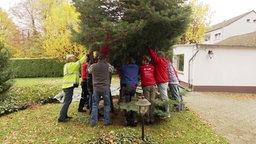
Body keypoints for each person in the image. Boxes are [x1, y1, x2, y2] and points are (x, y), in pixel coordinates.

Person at [58, 54, 87, 122]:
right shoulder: (71, 65)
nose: (75, 58)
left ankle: (64, 115)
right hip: (68, 86)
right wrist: (86, 55)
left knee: (67, 101)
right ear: (70, 59)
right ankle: (61, 117)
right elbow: (80, 62)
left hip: (67, 86)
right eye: (73, 57)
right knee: (67, 102)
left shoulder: (67, 65)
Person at [87, 54, 114, 126]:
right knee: (107, 104)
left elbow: (88, 71)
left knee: (95, 104)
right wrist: (107, 63)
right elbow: (113, 70)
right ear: (104, 59)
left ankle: (93, 121)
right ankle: (107, 121)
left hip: (96, 88)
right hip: (105, 88)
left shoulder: (93, 66)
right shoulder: (108, 66)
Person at [148, 47, 170, 116]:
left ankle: (167, 113)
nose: (157, 56)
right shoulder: (165, 61)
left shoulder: (159, 61)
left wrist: (149, 48)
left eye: (158, 55)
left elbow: (153, 56)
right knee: (163, 96)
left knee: (164, 97)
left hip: (162, 81)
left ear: (160, 56)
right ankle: (165, 110)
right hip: (165, 81)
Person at [119, 57, 139, 127]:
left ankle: (128, 120)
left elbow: (119, 69)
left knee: (127, 103)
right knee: (133, 103)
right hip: (134, 87)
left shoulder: (124, 67)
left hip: (127, 87)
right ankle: (134, 119)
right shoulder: (136, 67)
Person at [139, 55, 157, 124]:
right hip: (153, 85)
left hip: (146, 86)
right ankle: (152, 117)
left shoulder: (141, 68)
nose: (141, 61)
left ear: (145, 61)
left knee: (147, 101)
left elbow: (140, 75)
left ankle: (147, 118)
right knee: (152, 101)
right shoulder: (152, 67)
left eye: (142, 60)